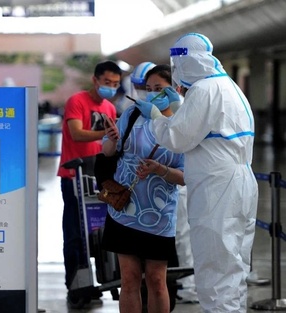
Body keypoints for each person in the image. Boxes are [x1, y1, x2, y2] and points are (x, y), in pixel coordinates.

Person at [134, 32, 258, 312]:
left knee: (214, 269)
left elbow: (178, 138)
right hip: (239, 182)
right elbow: (204, 127)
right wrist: (180, 107)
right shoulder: (228, 86)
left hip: (217, 188)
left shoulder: (204, 89)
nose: (176, 72)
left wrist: (155, 117)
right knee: (234, 267)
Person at [101, 64, 185, 312]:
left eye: (159, 88)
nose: (151, 94)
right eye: (148, 89)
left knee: (157, 281)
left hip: (159, 216)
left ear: (175, 90)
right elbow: (108, 152)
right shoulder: (132, 114)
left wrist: (160, 170)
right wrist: (112, 140)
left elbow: (187, 176)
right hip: (123, 209)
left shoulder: (183, 126)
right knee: (129, 279)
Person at [57, 60, 120, 304]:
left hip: (101, 177)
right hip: (74, 176)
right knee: (75, 233)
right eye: (107, 83)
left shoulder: (110, 108)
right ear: (95, 80)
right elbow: (76, 133)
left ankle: (102, 280)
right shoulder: (77, 101)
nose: (111, 88)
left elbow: (110, 145)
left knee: (101, 232)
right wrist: (106, 133)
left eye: (115, 84)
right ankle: (77, 287)